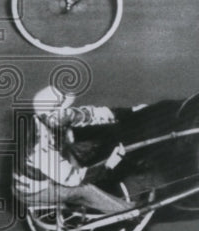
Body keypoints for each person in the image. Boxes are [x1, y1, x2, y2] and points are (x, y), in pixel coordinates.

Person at [13, 85, 135, 215]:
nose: (68, 113)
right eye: (63, 110)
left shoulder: (53, 117)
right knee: (84, 190)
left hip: (50, 165)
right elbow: (74, 179)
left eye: (66, 109)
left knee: (88, 145)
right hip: (33, 192)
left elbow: (90, 114)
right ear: (50, 115)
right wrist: (108, 165)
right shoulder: (38, 149)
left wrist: (130, 112)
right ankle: (130, 212)